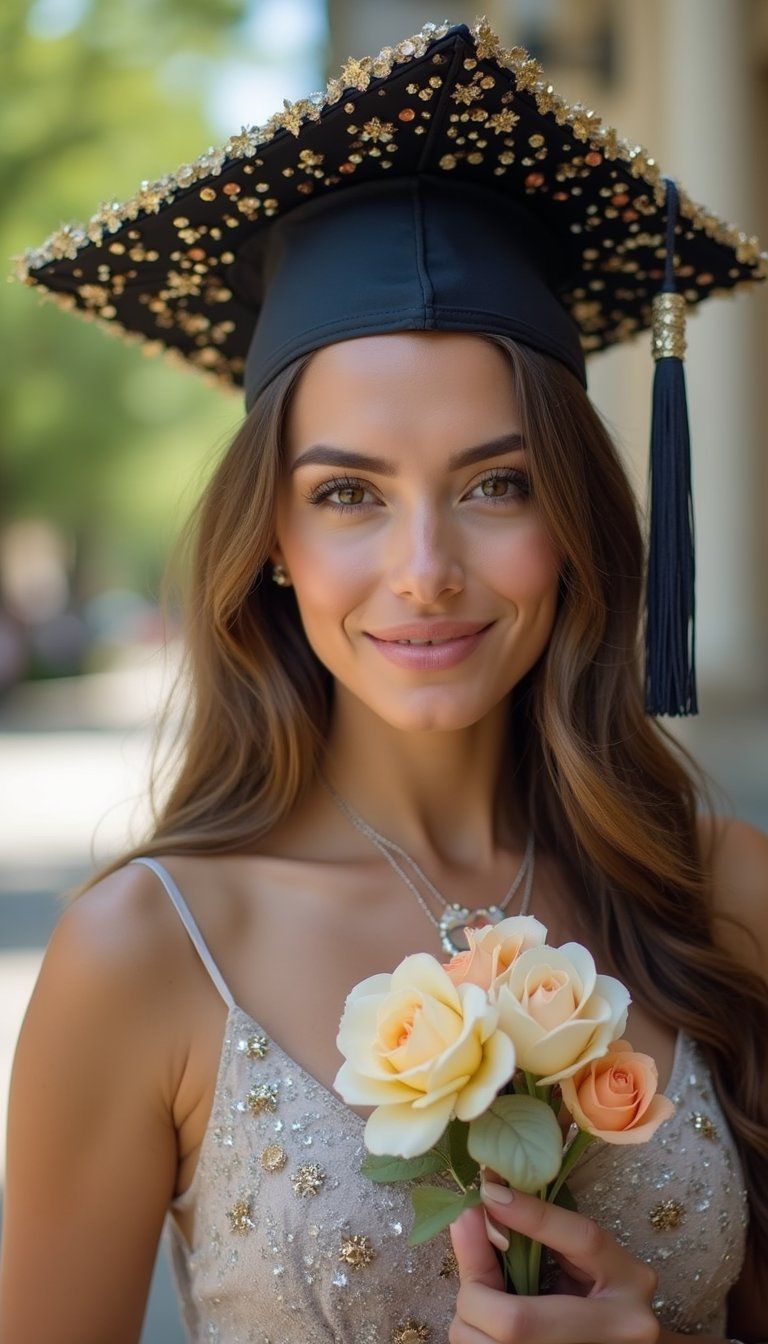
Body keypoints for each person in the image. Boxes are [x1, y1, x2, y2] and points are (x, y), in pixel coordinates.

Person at [2, 18, 767, 1344]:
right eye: (348, 493)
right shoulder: (145, 954)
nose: (425, 572)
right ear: (274, 540)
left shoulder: (727, 900)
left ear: (575, 515)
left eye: (497, 484)